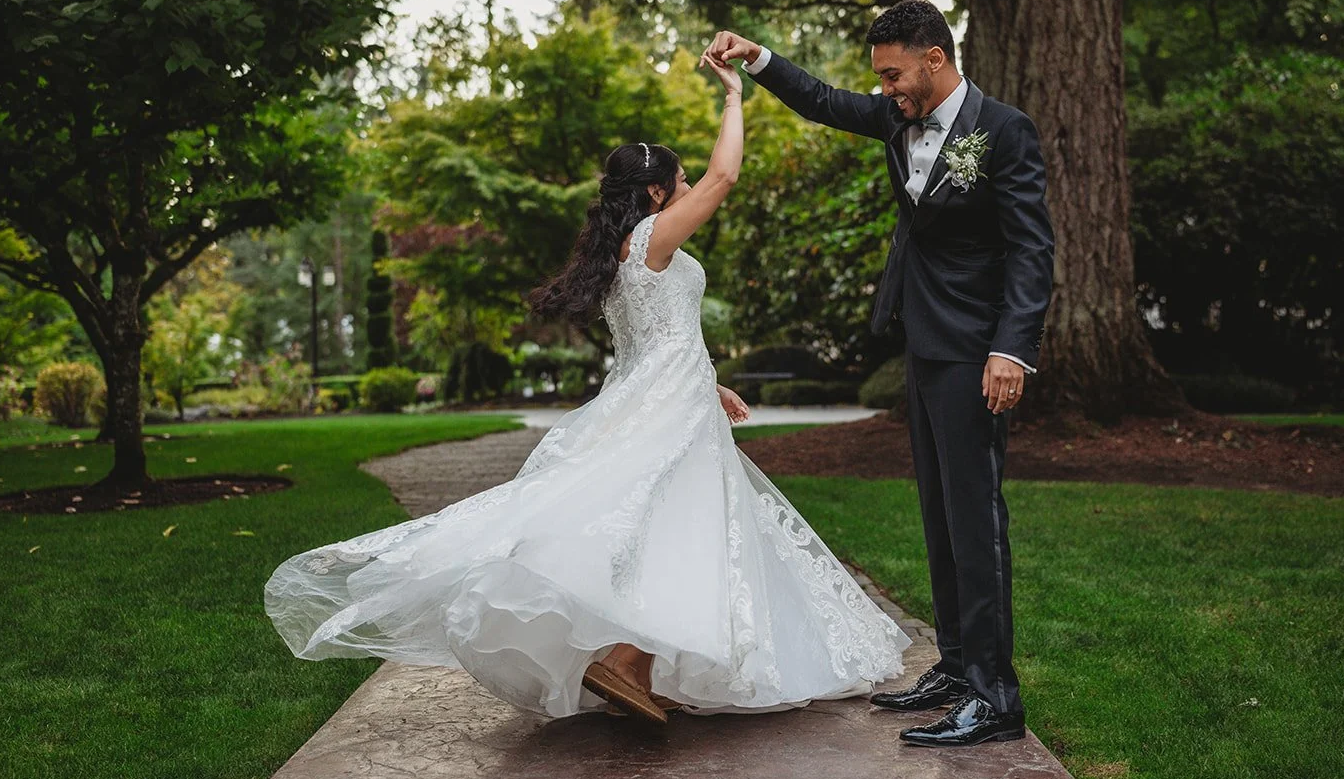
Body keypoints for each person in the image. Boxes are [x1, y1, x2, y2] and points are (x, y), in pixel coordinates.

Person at [263, 51, 909, 724]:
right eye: (679, 178)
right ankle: (627, 659)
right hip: (668, 406)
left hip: (667, 394)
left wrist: (710, 385)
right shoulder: (654, 237)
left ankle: (642, 666)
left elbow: (655, 338)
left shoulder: (629, 248)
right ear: (656, 192)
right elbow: (728, 173)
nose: (692, 184)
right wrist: (734, 98)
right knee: (684, 526)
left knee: (673, 527)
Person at [704, 0, 1055, 746]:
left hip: (977, 352)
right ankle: (958, 667)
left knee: (977, 521)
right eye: (881, 79)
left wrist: (1011, 347)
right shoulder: (898, 117)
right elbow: (825, 103)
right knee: (939, 517)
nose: (887, 89)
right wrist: (758, 58)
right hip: (923, 343)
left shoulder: (1004, 130)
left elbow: (1032, 249)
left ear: (936, 57)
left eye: (894, 74)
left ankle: (997, 697)